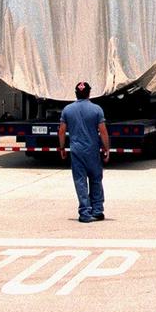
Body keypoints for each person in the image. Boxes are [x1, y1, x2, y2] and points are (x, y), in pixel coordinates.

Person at [58, 82, 110, 223]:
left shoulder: (67, 110)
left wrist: (62, 148)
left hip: (76, 151)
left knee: (80, 181)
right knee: (96, 179)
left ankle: (85, 213)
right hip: (92, 150)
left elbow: (61, 131)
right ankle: (98, 210)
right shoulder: (96, 109)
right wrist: (107, 148)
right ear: (89, 93)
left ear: (76, 93)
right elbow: (103, 131)